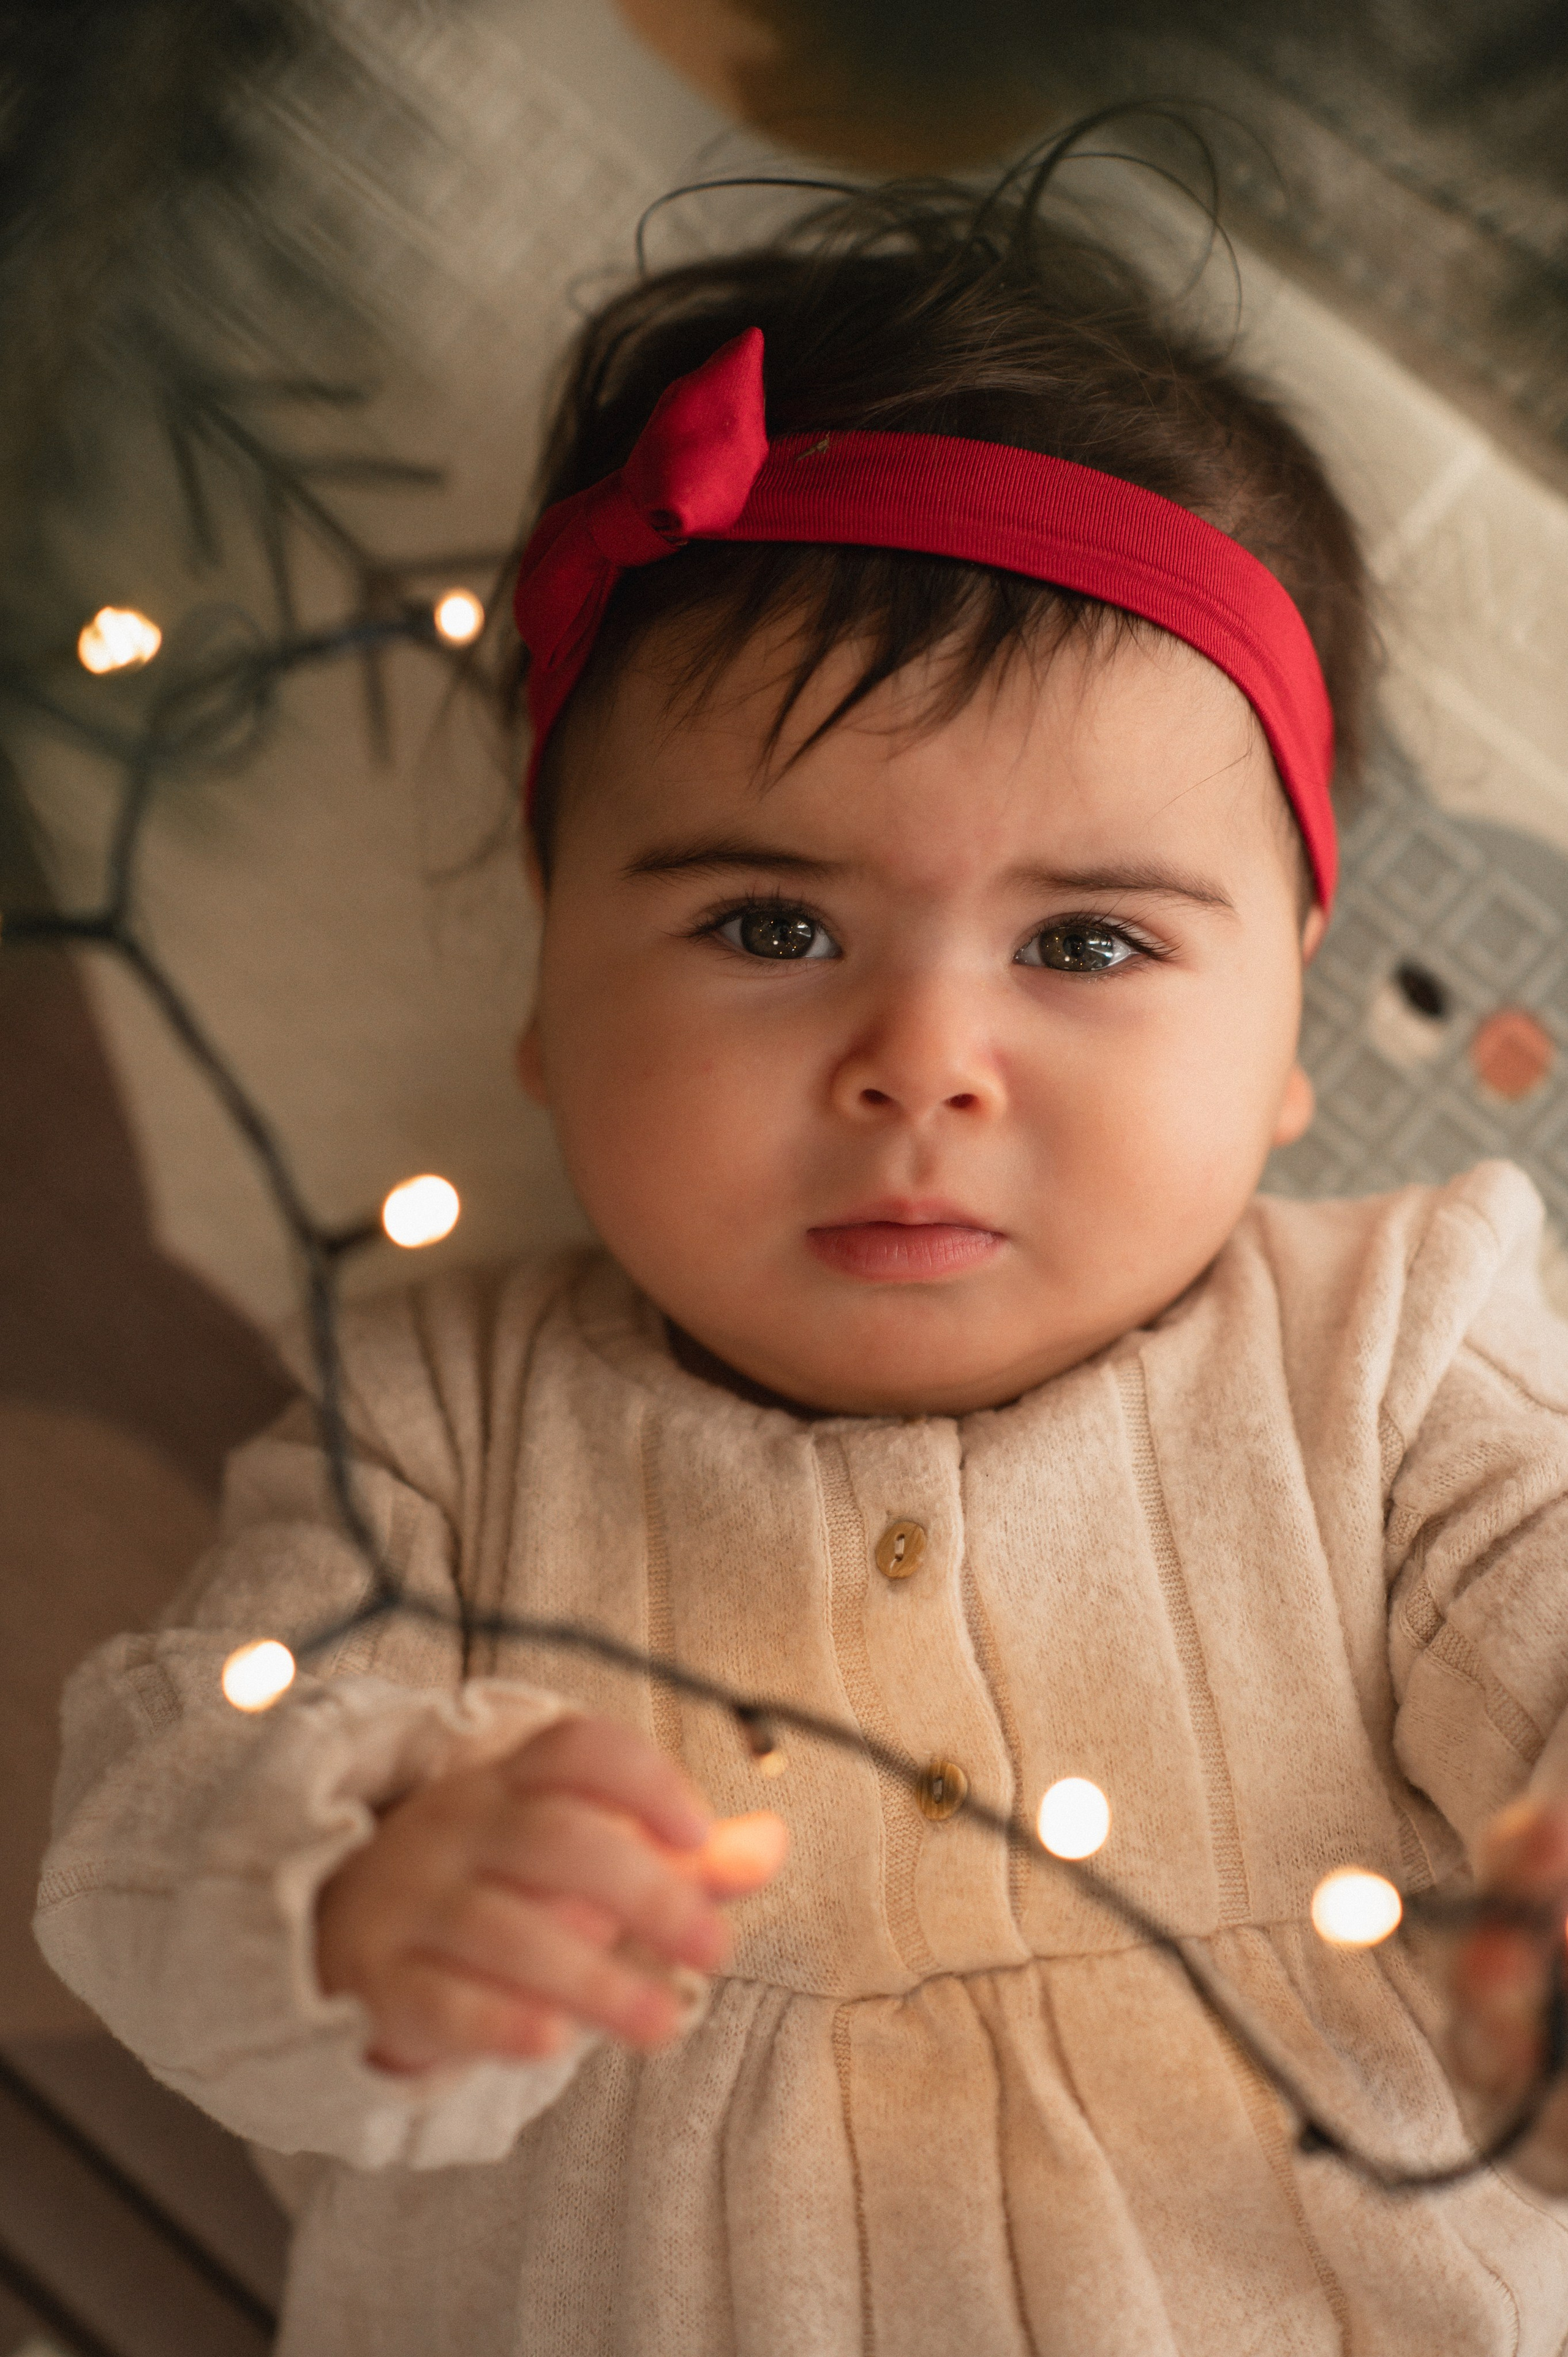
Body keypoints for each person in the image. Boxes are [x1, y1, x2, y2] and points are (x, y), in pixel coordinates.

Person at [35, 156, 1568, 2355]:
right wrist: (359, 1885)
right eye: (770, 924)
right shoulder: (441, 1423)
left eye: (1087, 942)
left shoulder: (1396, 1364)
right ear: (548, 979)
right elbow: (157, 1799)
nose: (922, 1063)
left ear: (1291, 1018)